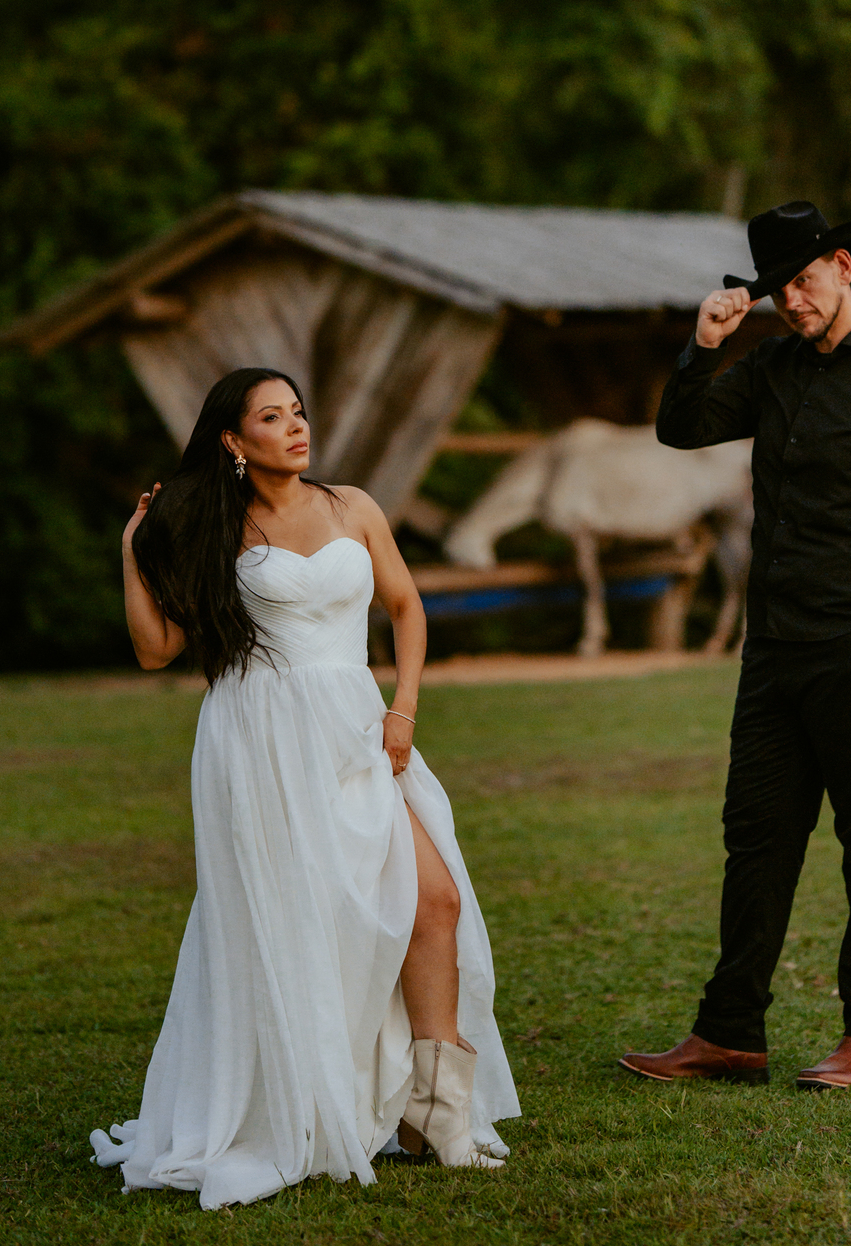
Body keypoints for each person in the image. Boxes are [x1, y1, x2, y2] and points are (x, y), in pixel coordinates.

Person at [90, 367, 518, 1209]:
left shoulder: (353, 506)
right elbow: (156, 650)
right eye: (272, 416)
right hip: (260, 739)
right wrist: (133, 551)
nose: (295, 427)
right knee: (298, 919)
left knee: (432, 900)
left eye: (299, 411)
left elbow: (406, 605)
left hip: (359, 727)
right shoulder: (210, 526)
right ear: (232, 439)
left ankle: (438, 1119)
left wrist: (404, 709)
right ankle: (308, 1100)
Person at [619, 201, 851, 1091]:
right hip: (773, 651)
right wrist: (705, 344)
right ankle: (730, 1033)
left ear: (845, 268)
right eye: (779, 287)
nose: (794, 298)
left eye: (806, 279)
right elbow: (682, 427)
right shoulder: (774, 364)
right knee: (757, 840)